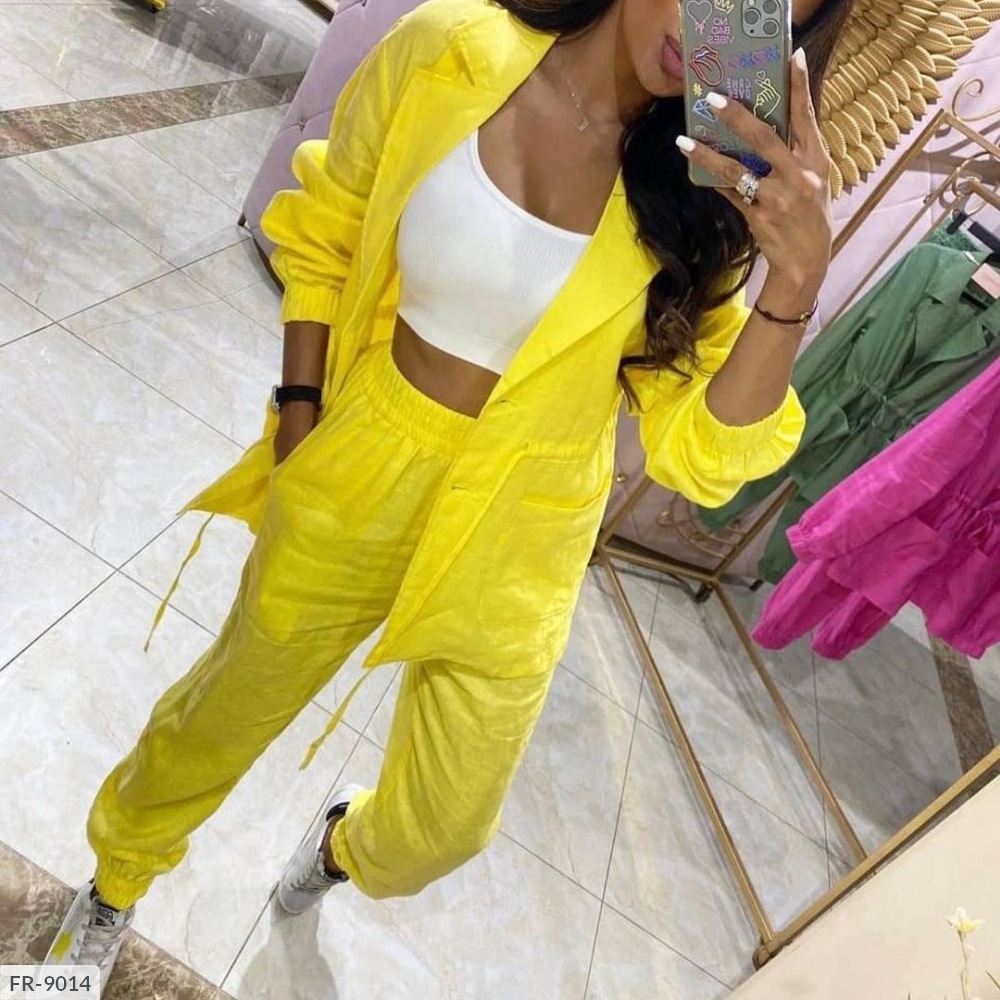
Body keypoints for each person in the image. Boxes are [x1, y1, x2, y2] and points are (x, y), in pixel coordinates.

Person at [45, 0, 847, 989]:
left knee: (444, 826)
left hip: (525, 525)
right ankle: (116, 880)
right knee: (224, 714)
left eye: (767, 11)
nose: (714, 21)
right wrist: (301, 415)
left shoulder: (702, 191)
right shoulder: (452, 50)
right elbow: (328, 222)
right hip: (369, 458)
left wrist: (792, 284)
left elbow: (705, 457)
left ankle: (339, 845)